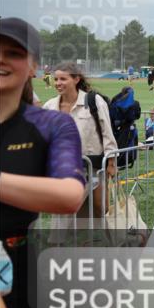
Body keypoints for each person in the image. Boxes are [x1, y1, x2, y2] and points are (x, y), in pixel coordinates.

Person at [0, 18, 85, 308]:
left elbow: (69, 194)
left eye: (14, 53)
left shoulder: (51, 126)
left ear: (34, 66)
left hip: (22, 272)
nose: (1, 60)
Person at [44, 62, 118, 217]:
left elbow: (107, 133)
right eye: (56, 79)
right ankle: (58, 241)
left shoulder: (94, 102)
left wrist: (111, 162)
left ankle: (95, 240)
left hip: (95, 168)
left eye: (63, 79)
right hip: (63, 169)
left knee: (100, 208)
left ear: (76, 79)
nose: (58, 83)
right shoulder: (49, 107)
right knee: (65, 214)